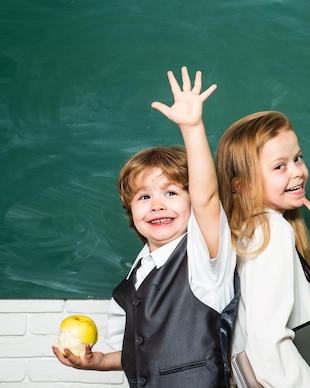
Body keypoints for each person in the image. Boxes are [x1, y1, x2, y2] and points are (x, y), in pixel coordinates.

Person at [52, 67, 238, 387]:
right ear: (131, 210)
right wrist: (95, 362)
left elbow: (207, 198)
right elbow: (140, 354)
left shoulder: (204, 255)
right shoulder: (137, 273)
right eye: (144, 196)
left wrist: (191, 127)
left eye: (171, 192)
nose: (157, 204)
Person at [216, 111, 310, 387]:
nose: (298, 171)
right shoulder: (271, 233)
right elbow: (268, 342)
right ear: (244, 185)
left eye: (297, 158)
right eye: (279, 166)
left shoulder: (265, 230)